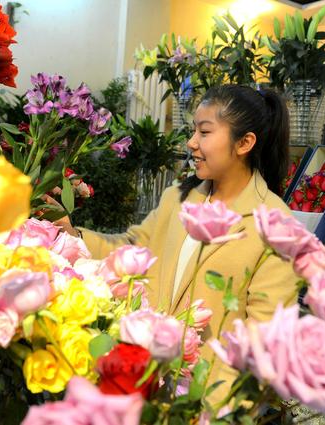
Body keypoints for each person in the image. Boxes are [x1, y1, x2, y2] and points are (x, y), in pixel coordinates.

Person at [55, 84, 300, 385]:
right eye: (193, 131)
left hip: (207, 400)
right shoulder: (178, 199)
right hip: (147, 381)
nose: (191, 143)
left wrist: (213, 409)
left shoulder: (276, 225)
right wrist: (72, 232)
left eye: (205, 132)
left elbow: (265, 337)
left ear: (245, 142)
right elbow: (131, 249)